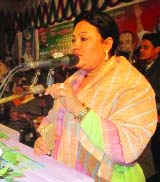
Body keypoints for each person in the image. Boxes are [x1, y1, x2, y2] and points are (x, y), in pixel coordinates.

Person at [33, 11, 157, 181]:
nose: (75, 45)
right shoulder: (74, 80)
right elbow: (52, 119)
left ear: (107, 44)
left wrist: (78, 109)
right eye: (74, 40)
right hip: (65, 173)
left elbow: (124, 148)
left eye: (83, 39)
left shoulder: (133, 85)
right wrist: (44, 140)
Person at [134, 32, 160, 181]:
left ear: (157, 49)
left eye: (146, 47)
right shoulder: (143, 67)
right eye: (141, 47)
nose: (141, 50)